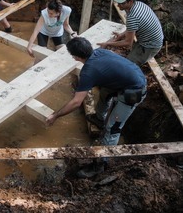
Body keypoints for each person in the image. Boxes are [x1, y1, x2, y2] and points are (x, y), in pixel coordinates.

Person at [46, 37, 147, 178]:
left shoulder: (88, 72)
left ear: (75, 57)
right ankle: (99, 118)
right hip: (133, 78)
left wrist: (55, 115)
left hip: (134, 92)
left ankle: (100, 164)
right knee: (105, 91)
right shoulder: (100, 52)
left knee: (112, 129)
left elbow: (76, 102)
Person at [97, 0, 164, 66]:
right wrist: (121, 35)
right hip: (151, 39)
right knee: (131, 54)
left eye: (122, 3)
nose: (118, 5)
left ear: (130, 1)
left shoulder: (132, 17)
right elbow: (135, 27)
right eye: (118, 2)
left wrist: (108, 44)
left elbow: (128, 43)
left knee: (128, 66)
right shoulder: (139, 4)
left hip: (150, 45)